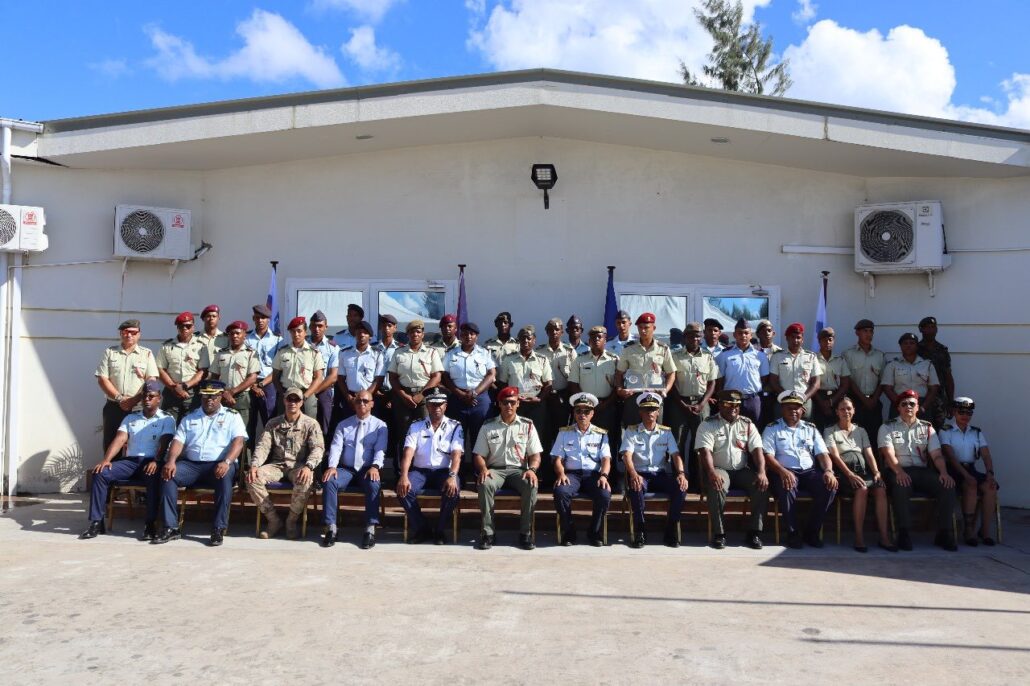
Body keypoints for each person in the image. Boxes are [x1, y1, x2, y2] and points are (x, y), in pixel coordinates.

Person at [154, 380, 248, 546]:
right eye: (205, 396)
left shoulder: (232, 416)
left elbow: (238, 442)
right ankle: (171, 527)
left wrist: (227, 462)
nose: (209, 400)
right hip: (192, 465)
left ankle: (218, 528)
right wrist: (171, 461)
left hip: (220, 464)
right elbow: (178, 441)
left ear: (221, 396)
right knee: (168, 475)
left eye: (213, 396)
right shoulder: (190, 417)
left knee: (225, 477)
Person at [79, 379, 174, 541]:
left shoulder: (166, 419)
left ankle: (150, 524)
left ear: (159, 398)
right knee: (100, 473)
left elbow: (164, 442)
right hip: (130, 462)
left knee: (153, 476)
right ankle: (96, 522)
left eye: (151, 396)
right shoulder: (131, 418)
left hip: (151, 462)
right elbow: (120, 439)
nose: (147, 399)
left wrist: (157, 461)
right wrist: (106, 460)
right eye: (144, 396)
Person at [877, 390, 958, 551]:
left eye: (912, 404)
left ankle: (944, 533)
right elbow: (888, 454)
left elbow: (936, 455)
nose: (908, 406)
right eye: (904, 404)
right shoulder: (887, 427)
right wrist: (899, 472)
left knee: (947, 485)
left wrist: (943, 472)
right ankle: (904, 533)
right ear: (898, 408)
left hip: (921, 471)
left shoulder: (927, 428)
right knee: (901, 486)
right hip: (897, 469)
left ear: (917, 407)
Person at [762, 390, 838, 549]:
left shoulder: (810, 428)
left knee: (829, 486)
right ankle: (793, 533)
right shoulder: (772, 428)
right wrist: (782, 471)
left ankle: (811, 532)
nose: (793, 411)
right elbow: (767, 455)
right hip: (784, 471)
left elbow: (822, 454)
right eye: (789, 408)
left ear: (803, 410)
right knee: (787, 486)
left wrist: (828, 471)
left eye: (796, 408)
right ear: (782, 409)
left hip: (809, 472)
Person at [246, 387, 324, 539]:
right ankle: (273, 520)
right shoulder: (273, 423)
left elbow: (318, 448)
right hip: (278, 465)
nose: (292, 402)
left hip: (298, 466)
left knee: (306, 479)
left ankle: (291, 521)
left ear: (301, 402)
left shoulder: (311, 424)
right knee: (252, 478)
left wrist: (309, 466)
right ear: (284, 401)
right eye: (289, 399)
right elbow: (263, 446)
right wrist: (254, 465)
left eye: (296, 399)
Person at [695, 389, 768, 549]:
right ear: (720, 405)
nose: (733, 408)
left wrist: (762, 472)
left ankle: (754, 532)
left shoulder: (747, 424)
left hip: (742, 470)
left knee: (761, 486)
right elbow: (705, 452)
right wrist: (711, 472)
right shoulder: (708, 424)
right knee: (717, 485)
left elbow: (757, 450)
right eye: (729, 404)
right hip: (719, 469)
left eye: (736, 405)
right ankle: (719, 534)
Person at [472, 386, 543, 551]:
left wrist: (532, 470)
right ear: (499, 404)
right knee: (484, 483)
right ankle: (488, 533)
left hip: (519, 470)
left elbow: (535, 455)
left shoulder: (527, 425)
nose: (508, 406)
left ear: (518, 403)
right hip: (495, 470)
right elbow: (478, 455)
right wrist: (483, 469)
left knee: (531, 484)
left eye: (512, 402)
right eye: (505, 402)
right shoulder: (488, 426)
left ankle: (525, 533)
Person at [823, 397, 893, 552]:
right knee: (862, 489)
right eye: (842, 409)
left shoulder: (860, 431)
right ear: (837, 412)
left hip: (863, 471)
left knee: (880, 489)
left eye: (849, 408)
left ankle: (884, 537)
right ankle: (859, 537)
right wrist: (849, 474)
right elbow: (835, 456)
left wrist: (876, 472)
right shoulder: (830, 430)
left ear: (854, 410)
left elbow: (868, 453)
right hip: (843, 473)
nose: (846, 412)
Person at [321, 389, 388, 549]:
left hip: (368, 469)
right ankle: (331, 528)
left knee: (373, 483)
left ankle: (370, 529)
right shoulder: (343, 425)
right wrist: (332, 466)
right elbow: (336, 447)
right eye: (358, 401)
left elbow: (380, 450)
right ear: (354, 404)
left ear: (372, 404)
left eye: (365, 401)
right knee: (329, 481)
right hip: (347, 469)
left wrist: (375, 467)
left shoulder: (380, 426)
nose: (362, 404)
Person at [396, 387, 463, 544]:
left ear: (445, 406)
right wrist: (404, 475)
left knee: (453, 490)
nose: (436, 407)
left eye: (440, 404)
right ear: (427, 405)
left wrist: (453, 476)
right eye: (433, 404)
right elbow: (408, 453)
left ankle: (439, 531)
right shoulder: (416, 426)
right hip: (420, 471)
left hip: (444, 472)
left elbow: (456, 455)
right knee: (403, 490)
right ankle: (422, 529)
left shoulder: (455, 426)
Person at [622, 392, 688, 549]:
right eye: (646, 409)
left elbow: (676, 455)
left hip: (660, 475)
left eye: (653, 409)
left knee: (681, 487)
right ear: (640, 412)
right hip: (640, 474)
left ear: (658, 412)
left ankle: (671, 529)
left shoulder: (666, 432)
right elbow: (626, 456)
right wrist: (633, 474)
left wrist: (681, 474)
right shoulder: (631, 431)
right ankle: (640, 531)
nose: (649, 413)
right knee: (636, 487)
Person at [551, 392, 612, 547]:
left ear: (592, 414)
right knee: (560, 492)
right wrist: (561, 473)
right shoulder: (564, 433)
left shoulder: (601, 434)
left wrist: (604, 476)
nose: (582, 414)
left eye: (586, 411)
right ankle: (569, 532)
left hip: (594, 475)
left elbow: (606, 459)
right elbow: (557, 459)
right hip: (572, 475)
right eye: (578, 411)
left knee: (604, 494)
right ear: (574, 413)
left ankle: (594, 532)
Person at [940, 397, 998, 546]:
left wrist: (990, 473)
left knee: (990, 487)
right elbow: (950, 457)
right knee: (971, 485)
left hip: (970, 469)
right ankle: (968, 529)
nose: (965, 416)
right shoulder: (946, 430)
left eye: (969, 413)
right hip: (954, 470)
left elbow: (986, 455)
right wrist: (966, 475)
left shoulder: (976, 432)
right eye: (961, 412)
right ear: (954, 412)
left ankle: (984, 530)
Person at [388, 319, 444, 473]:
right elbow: (392, 377)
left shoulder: (431, 352)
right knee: (404, 434)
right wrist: (403, 395)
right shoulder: (399, 352)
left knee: (425, 433)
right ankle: (403, 472)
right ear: (407, 334)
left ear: (422, 334)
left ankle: (424, 471)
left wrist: (421, 395)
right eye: (412, 332)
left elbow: (436, 377)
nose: (415, 334)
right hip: (403, 397)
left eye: (418, 332)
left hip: (425, 397)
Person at [95, 319, 159, 452]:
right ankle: (111, 466)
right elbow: (102, 378)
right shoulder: (110, 352)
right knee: (112, 445)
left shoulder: (146, 353)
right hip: (114, 406)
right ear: (120, 334)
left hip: (138, 408)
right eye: (125, 332)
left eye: (133, 332)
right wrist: (120, 399)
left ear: (139, 334)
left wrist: (133, 400)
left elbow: (151, 381)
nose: (129, 335)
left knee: (138, 445)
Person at [497, 326, 553, 478]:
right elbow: (502, 383)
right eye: (523, 338)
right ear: (518, 341)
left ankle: (538, 472)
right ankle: (518, 471)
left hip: (536, 405)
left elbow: (548, 384)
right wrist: (512, 399)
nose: (526, 341)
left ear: (534, 340)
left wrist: (539, 398)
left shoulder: (542, 360)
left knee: (538, 438)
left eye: (529, 338)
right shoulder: (509, 359)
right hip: (516, 405)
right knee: (517, 437)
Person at [667, 321, 718, 484]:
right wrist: (682, 404)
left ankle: (699, 481)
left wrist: (702, 404)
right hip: (679, 404)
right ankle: (679, 479)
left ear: (702, 337)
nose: (694, 339)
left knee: (702, 444)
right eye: (690, 336)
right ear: (684, 337)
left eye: (698, 336)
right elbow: (671, 383)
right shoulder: (674, 356)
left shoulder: (707, 356)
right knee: (678, 443)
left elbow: (712, 383)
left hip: (701, 404)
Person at [441, 321, 496, 455]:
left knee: (480, 437)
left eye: (472, 334)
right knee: (456, 437)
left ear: (477, 336)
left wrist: (475, 393)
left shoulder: (484, 353)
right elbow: (445, 376)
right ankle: (457, 468)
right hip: (457, 399)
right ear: (460, 335)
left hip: (480, 399)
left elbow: (491, 374)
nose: (468, 336)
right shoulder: (451, 354)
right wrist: (459, 394)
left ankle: (478, 467)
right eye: (465, 334)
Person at [615, 312, 676, 427]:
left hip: (655, 396)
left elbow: (671, 373)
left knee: (655, 431)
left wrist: (665, 390)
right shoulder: (628, 349)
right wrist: (619, 390)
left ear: (654, 328)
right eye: (640, 328)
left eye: (646, 327)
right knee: (632, 430)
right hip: (633, 397)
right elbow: (619, 373)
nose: (643, 331)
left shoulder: (663, 349)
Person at [568, 325, 620, 443]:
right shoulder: (580, 360)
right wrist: (585, 401)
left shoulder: (614, 360)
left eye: (599, 337)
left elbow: (618, 386)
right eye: (593, 337)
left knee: (609, 440)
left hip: (607, 406)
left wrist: (606, 403)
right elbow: (573, 384)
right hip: (585, 407)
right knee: (585, 440)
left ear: (605, 340)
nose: (596, 339)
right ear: (589, 341)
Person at [207, 320, 260, 436]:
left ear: (244, 335)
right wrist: (223, 393)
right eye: (232, 333)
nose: (234, 336)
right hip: (223, 397)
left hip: (242, 398)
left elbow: (252, 378)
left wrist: (232, 392)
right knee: (222, 432)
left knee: (243, 433)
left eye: (238, 333)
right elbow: (214, 376)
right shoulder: (221, 354)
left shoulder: (251, 353)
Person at [715, 318, 769, 424]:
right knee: (730, 428)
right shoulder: (725, 354)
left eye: (746, 333)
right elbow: (720, 379)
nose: (743, 335)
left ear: (751, 335)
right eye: (740, 333)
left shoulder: (760, 355)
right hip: (731, 400)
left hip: (752, 399)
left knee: (754, 429)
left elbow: (764, 378)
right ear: (734, 335)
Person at [271, 316, 325, 418]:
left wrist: (306, 396)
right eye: (293, 331)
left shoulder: (314, 352)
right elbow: (275, 377)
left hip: (306, 394)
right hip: (287, 393)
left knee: (308, 424)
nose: (296, 334)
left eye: (299, 331)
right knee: (284, 424)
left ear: (305, 332)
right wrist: (283, 394)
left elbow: (319, 378)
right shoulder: (282, 352)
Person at [156, 312, 205, 422]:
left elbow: (202, 371)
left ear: (193, 327)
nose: (185, 329)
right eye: (181, 326)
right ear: (177, 327)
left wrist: (185, 386)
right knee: (168, 426)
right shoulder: (166, 346)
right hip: (171, 392)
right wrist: (174, 387)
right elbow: (160, 369)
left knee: (191, 427)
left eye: (188, 326)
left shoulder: (201, 346)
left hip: (192, 393)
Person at [538, 317, 577, 454]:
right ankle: (545, 464)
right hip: (544, 397)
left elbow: (575, 376)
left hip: (562, 398)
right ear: (546, 332)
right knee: (544, 433)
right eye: (551, 329)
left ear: (562, 332)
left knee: (561, 433)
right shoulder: (539, 352)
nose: (554, 332)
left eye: (557, 329)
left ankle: (559, 462)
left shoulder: (569, 351)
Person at [842, 319, 886, 438]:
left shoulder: (880, 355)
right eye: (865, 331)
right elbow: (848, 380)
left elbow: (883, 380)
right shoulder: (848, 354)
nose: (868, 334)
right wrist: (863, 399)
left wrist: (874, 399)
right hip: (855, 402)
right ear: (857, 333)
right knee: (854, 436)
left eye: (871, 331)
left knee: (875, 436)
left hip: (874, 402)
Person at [246, 304, 283, 444]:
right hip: (248, 383)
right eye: (257, 317)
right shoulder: (246, 338)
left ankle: (270, 453)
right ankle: (247, 455)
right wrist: (253, 385)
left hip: (268, 383)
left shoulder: (278, 340)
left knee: (270, 421)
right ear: (253, 318)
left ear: (269, 319)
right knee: (248, 422)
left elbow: (278, 368)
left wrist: (261, 384)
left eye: (263, 318)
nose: (260, 320)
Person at [881, 333, 939, 422]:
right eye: (905, 343)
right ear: (900, 346)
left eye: (912, 343)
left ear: (917, 346)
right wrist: (901, 405)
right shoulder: (892, 365)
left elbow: (934, 388)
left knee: (922, 431)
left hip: (922, 406)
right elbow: (887, 388)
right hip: (898, 405)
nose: (908, 345)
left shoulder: (927, 364)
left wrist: (923, 407)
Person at [768, 323, 822, 416]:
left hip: (804, 401)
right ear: (787, 338)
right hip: (783, 401)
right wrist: (787, 398)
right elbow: (773, 381)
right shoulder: (777, 356)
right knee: (780, 424)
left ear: (802, 340)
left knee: (806, 424)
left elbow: (816, 383)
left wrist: (803, 399)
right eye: (792, 337)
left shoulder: (811, 357)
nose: (795, 340)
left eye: (798, 337)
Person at [336, 320, 383, 423]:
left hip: (369, 398)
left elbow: (378, 379)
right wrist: (348, 397)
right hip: (350, 398)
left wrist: (365, 397)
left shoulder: (377, 354)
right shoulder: (345, 353)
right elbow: (340, 378)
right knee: (348, 428)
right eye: (359, 332)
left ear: (370, 336)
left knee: (369, 427)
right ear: (355, 334)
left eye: (365, 333)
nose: (361, 335)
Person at [917, 316, 955, 429]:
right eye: (927, 327)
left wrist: (951, 402)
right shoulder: (915, 349)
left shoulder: (942, 350)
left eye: (933, 327)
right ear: (921, 329)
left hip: (939, 399)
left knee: (938, 431)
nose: (931, 330)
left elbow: (948, 377)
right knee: (919, 431)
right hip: (921, 397)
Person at [372, 314, 401, 461]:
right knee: (375, 431)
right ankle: (375, 464)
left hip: (395, 394)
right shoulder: (373, 348)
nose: (386, 328)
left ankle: (396, 468)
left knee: (396, 431)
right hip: (375, 394)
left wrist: (391, 396)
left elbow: (401, 375)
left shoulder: (401, 349)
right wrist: (376, 392)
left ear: (395, 328)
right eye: (384, 325)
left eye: (390, 326)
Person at [307, 310, 340, 439]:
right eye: (314, 325)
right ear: (310, 326)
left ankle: (325, 450)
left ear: (326, 327)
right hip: (304, 388)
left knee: (325, 428)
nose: (317, 329)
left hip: (323, 390)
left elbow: (333, 376)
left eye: (320, 326)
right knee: (305, 427)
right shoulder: (302, 344)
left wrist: (314, 392)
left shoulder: (332, 348)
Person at [813, 328, 852, 430]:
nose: (828, 342)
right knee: (818, 428)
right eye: (824, 340)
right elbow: (810, 383)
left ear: (834, 341)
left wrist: (831, 401)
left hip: (836, 397)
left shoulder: (840, 360)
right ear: (819, 341)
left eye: (830, 339)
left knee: (835, 429)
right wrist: (822, 403)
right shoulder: (812, 359)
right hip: (817, 397)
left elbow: (845, 385)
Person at [196, 304, 228, 374]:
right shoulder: (194, 338)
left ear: (219, 318)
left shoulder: (226, 339)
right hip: (199, 378)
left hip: (219, 378)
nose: (211, 318)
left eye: (214, 316)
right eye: (208, 316)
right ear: (203, 319)